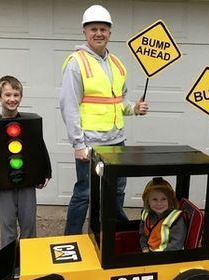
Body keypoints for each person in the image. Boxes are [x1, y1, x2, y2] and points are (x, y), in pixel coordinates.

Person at [60, 4, 149, 235]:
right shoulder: (76, 63)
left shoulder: (117, 64)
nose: (99, 33)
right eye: (93, 29)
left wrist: (135, 109)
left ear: (110, 32)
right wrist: (78, 143)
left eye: (103, 29)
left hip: (117, 140)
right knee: (85, 193)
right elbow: (68, 105)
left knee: (117, 190)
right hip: (90, 143)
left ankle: (112, 234)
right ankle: (70, 238)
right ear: (84, 32)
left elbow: (117, 103)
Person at [0, 75, 52, 247]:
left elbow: (39, 146)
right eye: (7, 95)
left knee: (29, 225)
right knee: (7, 225)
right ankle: (9, 264)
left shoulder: (28, 124)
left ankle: (29, 262)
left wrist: (46, 171)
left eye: (16, 95)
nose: (12, 99)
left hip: (27, 182)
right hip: (4, 184)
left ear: (21, 97)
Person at [139, 177, 187, 252]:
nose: (159, 203)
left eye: (164, 199)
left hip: (168, 258)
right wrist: (144, 247)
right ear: (148, 201)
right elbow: (143, 235)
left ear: (170, 200)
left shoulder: (176, 219)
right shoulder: (146, 215)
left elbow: (176, 245)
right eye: (154, 199)